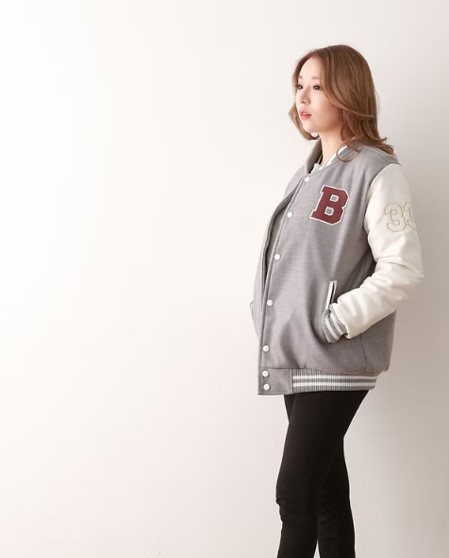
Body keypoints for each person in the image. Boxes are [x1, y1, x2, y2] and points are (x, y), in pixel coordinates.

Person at [248, 44, 425, 558]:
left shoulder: (377, 171)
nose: (303, 97)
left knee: (294, 492)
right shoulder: (306, 174)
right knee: (325, 493)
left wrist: (337, 320)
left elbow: (402, 269)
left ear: (347, 92)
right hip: (298, 354)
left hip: (334, 355)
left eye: (318, 86)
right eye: (299, 85)